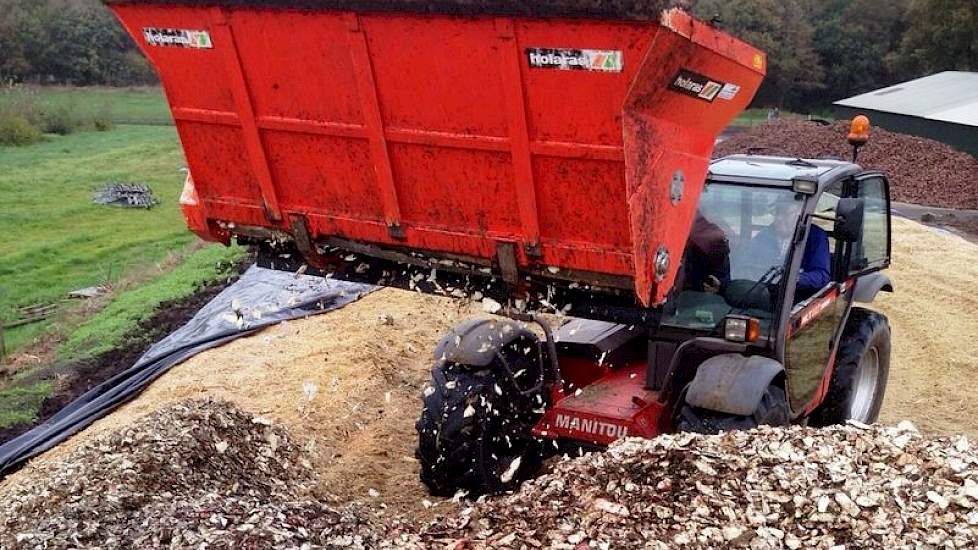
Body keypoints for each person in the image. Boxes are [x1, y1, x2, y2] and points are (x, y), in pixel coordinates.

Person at [740, 201, 831, 302]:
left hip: (797, 300)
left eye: (785, 213)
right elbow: (744, 263)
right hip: (765, 294)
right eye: (777, 213)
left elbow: (822, 275)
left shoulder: (815, 236)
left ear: (799, 215)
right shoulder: (765, 235)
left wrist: (795, 279)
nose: (778, 218)